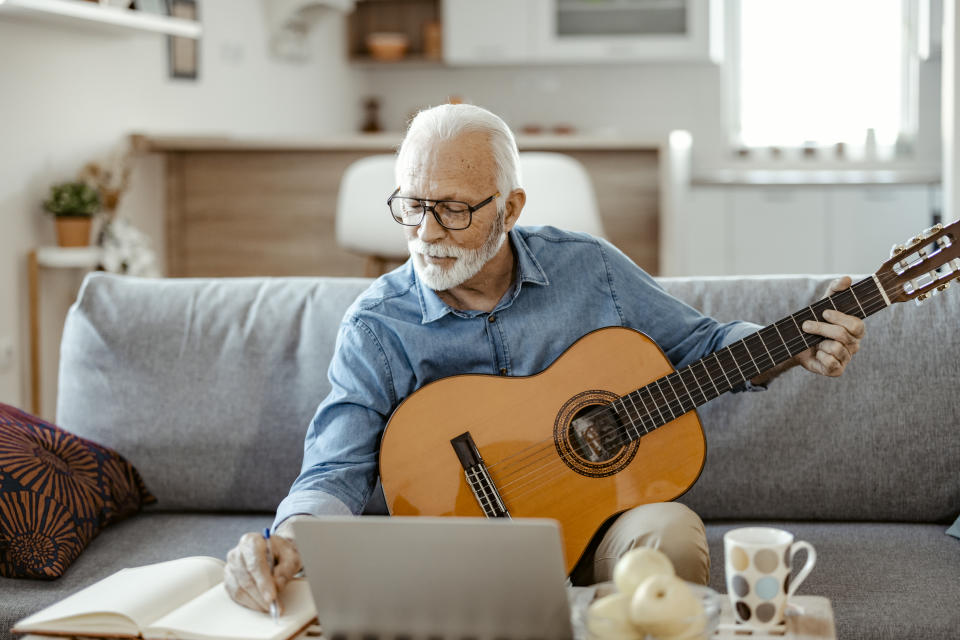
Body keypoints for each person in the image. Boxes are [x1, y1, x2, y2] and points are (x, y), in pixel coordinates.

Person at [224, 104, 865, 613]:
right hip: (455, 553)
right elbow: (334, 469)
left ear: (511, 208)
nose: (425, 234)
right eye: (412, 206)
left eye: (452, 210)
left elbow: (702, 347)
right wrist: (289, 539)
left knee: (670, 533)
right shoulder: (377, 325)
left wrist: (795, 343)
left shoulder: (589, 267)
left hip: (600, 526)